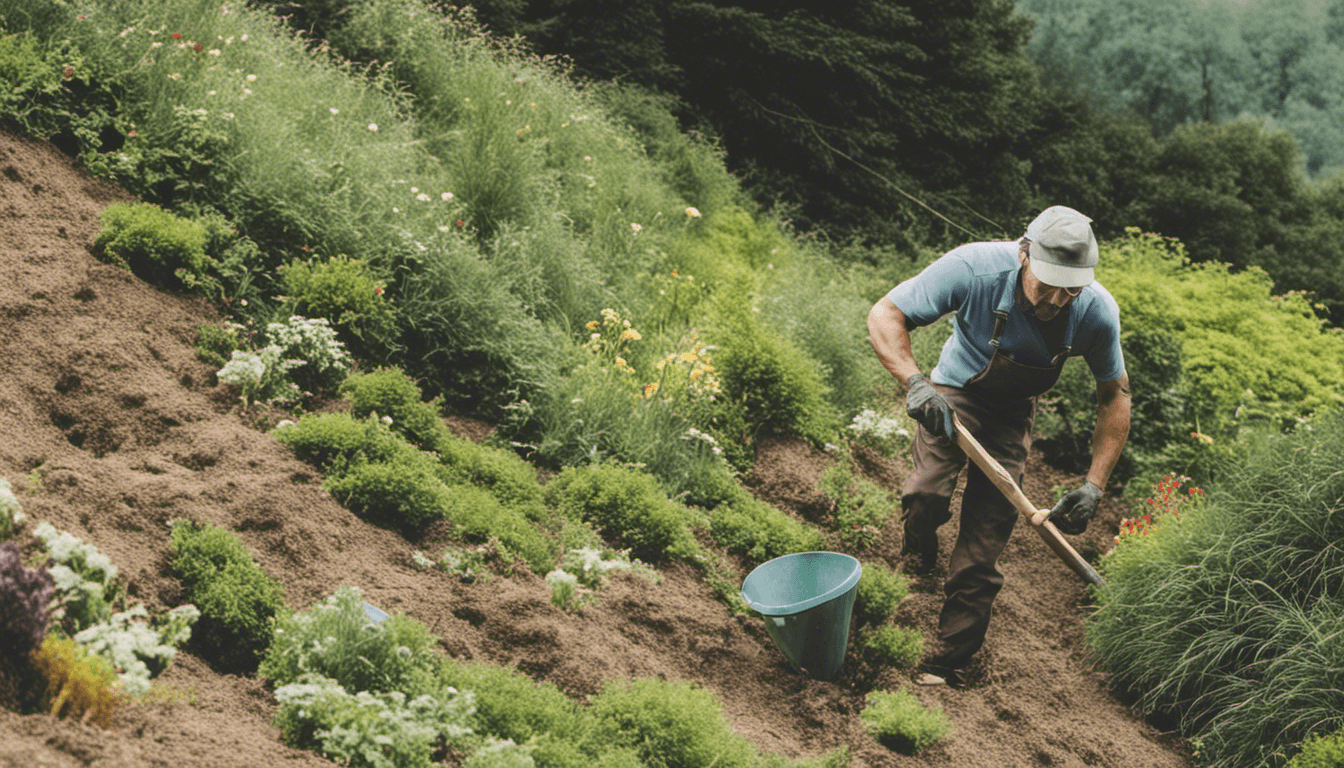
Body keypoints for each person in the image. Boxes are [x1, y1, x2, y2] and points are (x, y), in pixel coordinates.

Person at [867, 205, 1131, 687]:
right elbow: (887, 312)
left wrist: (1095, 485)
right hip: (952, 392)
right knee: (926, 493)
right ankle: (917, 551)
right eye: (1047, 282)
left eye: (1069, 288)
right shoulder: (974, 268)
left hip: (1014, 412)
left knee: (984, 540)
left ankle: (948, 660)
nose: (1055, 299)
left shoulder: (1095, 311)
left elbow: (1115, 394)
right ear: (1024, 253)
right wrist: (915, 382)